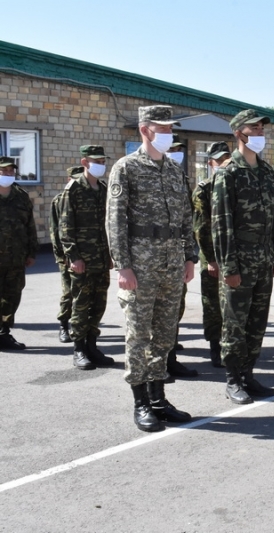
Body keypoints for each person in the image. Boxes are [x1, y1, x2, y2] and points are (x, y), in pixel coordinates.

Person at [106, 105, 194, 432]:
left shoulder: (173, 169)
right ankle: (141, 402)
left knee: (165, 334)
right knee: (139, 334)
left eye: (171, 128)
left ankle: (159, 398)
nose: (169, 134)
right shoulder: (125, 168)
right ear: (145, 130)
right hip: (140, 266)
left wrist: (189, 257)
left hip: (172, 264)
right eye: (163, 128)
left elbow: (186, 218)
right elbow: (115, 221)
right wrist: (123, 266)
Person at [212, 109, 274, 405]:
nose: (259, 134)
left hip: (264, 262)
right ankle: (232, 380)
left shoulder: (266, 172)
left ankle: (249, 374)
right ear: (239, 133)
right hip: (239, 262)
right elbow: (221, 224)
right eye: (253, 129)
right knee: (234, 324)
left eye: (261, 129)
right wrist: (228, 266)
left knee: (257, 323)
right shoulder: (228, 173)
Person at [60, 145, 115, 370]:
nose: (100, 164)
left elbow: (109, 224)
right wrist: (74, 257)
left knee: (98, 304)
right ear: (84, 162)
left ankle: (92, 346)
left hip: (101, 259)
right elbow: (65, 227)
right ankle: (79, 349)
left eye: (102, 160)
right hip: (82, 260)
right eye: (96, 160)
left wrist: (111, 254)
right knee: (81, 305)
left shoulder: (103, 189)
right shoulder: (73, 189)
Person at [192, 141, 231, 368]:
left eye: (227, 157)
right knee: (213, 305)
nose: (224, 162)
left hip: (232, 257)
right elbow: (201, 228)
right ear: (210, 163)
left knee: (232, 307)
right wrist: (211, 259)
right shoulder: (204, 189)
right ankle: (215, 348)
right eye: (219, 160)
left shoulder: (232, 183)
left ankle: (231, 345)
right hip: (213, 258)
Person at [164, 136, 198, 379]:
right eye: (172, 149)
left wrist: (190, 256)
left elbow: (188, 220)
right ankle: (157, 366)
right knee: (153, 318)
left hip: (176, 256)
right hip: (150, 258)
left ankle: (170, 356)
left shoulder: (181, 178)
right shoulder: (137, 172)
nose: (177, 152)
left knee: (175, 308)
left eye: (179, 149)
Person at [0, 156, 37, 351]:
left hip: (16, 258)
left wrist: (31, 252)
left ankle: (3, 333)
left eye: (10, 171)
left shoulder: (21, 196)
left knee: (12, 296)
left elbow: (30, 225)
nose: (7, 174)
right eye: (3, 171)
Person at [51, 166, 82, 344]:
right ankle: (63, 324)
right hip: (67, 256)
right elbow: (55, 231)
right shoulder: (59, 200)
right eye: (74, 179)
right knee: (69, 292)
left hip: (86, 254)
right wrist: (62, 256)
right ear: (68, 179)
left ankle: (82, 328)